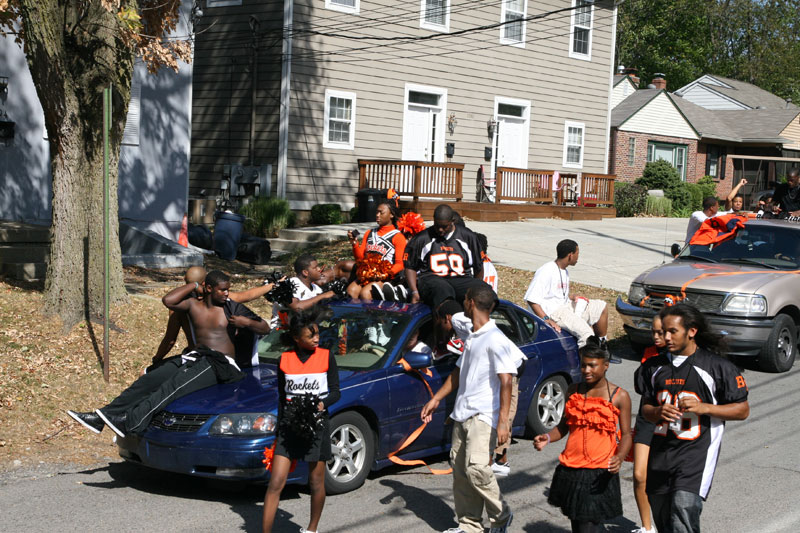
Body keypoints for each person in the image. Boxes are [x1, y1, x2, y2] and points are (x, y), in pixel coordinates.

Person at [67, 270, 270, 437]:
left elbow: (265, 328)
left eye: (228, 290)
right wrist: (193, 285)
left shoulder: (232, 308)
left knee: (172, 387)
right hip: (197, 357)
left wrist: (246, 322)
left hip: (221, 364)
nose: (227, 293)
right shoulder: (193, 305)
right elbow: (168, 300)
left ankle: (130, 422)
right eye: (222, 290)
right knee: (149, 380)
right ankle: (101, 416)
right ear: (208, 288)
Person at [638, 304, 749, 533]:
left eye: (673, 331)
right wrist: (657, 412)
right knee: (663, 519)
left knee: (683, 509)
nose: (666, 338)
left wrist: (704, 407)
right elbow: (645, 409)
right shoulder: (653, 367)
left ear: (692, 331)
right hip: (661, 452)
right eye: (663, 332)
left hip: (696, 454)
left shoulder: (717, 367)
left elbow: (742, 410)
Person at [421, 284, 517, 533]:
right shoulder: (473, 336)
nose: (463, 302)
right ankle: (469, 525)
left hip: (483, 415)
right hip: (463, 412)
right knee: (461, 471)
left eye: (465, 299)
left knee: (478, 469)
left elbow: (507, 380)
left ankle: (501, 515)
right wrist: (436, 399)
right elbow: (458, 372)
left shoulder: (495, 338)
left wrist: (503, 422)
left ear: (471, 303)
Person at [533, 337, 632, 533]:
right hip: (571, 468)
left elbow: (627, 434)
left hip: (599, 471)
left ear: (605, 366)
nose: (586, 370)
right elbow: (563, 427)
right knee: (577, 522)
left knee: (588, 525)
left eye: (592, 365)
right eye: (583, 365)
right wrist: (548, 437)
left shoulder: (620, 396)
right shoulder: (573, 391)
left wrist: (620, 457)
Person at [262, 308, 340, 533]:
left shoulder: (326, 356)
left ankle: (311, 529)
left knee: (315, 482)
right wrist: (278, 431)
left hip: (317, 426)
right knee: (276, 483)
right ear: (296, 338)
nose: (316, 339)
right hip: (289, 427)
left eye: (317, 334)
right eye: (311, 335)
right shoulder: (284, 360)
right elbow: (282, 398)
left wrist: (323, 404)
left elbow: (336, 392)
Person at [152, 266, 277, 366]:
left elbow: (170, 340)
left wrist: (157, 359)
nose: (225, 293)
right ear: (207, 285)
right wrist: (271, 286)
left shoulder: (179, 307)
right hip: (203, 359)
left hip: (199, 356)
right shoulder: (219, 300)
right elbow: (247, 296)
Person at [524, 239, 617, 362]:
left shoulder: (564, 271)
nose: (578, 257)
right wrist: (547, 319)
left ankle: (603, 347)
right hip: (555, 313)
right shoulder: (546, 271)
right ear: (570, 255)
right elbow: (532, 299)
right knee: (587, 334)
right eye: (578, 253)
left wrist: (572, 297)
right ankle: (583, 366)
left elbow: (556, 295)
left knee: (601, 306)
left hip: (566, 306)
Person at [404, 204, 489, 311]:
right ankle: (446, 318)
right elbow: (410, 266)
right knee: (443, 290)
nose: (440, 230)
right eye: (437, 225)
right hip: (432, 280)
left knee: (485, 291)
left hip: (460, 279)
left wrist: (476, 287)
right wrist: (414, 291)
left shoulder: (468, 237)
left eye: (444, 226)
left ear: (452, 221)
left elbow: (479, 266)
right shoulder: (422, 238)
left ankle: (479, 321)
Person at [631, 316, 667, 533]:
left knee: (665, 480)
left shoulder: (686, 356)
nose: (655, 336)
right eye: (653, 332)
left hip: (671, 420)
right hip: (647, 417)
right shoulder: (650, 352)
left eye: (660, 332)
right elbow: (641, 386)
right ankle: (647, 527)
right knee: (639, 475)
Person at [346, 200, 408, 301]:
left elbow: (400, 264)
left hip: (385, 278)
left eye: (381, 212)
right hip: (366, 275)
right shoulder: (369, 233)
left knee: (365, 293)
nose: (377, 215)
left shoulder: (398, 237)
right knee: (351, 291)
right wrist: (354, 244)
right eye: (377, 212)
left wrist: (384, 274)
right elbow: (360, 258)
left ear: (391, 215)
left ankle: (373, 311)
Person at [271, 254, 335, 328]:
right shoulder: (290, 284)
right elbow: (297, 307)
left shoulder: (317, 289)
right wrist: (322, 296)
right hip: (280, 330)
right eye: (315, 268)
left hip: (303, 330)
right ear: (305, 272)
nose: (319, 269)